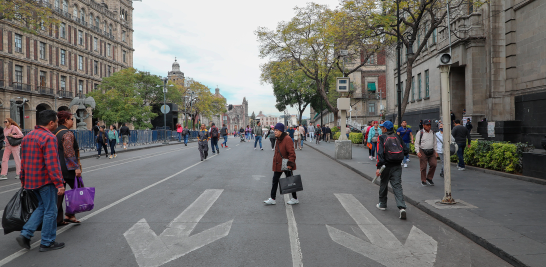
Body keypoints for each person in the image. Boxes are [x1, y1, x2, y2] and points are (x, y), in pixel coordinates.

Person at [16, 110, 65, 252]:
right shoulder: (49, 137)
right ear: (51, 123)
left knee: (42, 207)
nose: (57, 124)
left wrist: (22, 178)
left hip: (31, 180)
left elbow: (23, 161)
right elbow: (52, 163)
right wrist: (59, 183)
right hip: (45, 180)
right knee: (51, 210)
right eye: (56, 122)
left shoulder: (28, 136)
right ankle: (47, 242)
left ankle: (26, 234)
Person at [53, 111, 82, 226]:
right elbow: (69, 152)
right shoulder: (67, 134)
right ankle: (70, 214)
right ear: (65, 120)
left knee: (59, 194)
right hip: (68, 168)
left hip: (57, 167)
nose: (73, 121)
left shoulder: (54, 132)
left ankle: (58, 219)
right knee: (78, 188)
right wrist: (76, 168)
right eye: (71, 119)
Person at [375, 121, 408, 220]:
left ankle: (383, 204)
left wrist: (378, 167)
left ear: (385, 129)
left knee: (384, 184)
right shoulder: (397, 137)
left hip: (385, 165)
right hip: (397, 165)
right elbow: (406, 150)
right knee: (397, 186)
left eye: (382, 127)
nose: (381, 129)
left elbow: (379, 153)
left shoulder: (381, 137)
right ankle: (402, 207)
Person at [264, 123, 298, 205]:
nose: (275, 132)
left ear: (281, 131)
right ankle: (272, 198)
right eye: (274, 130)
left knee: (290, 181)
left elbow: (292, 153)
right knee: (275, 180)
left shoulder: (287, 139)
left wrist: (290, 164)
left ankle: (295, 198)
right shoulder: (278, 139)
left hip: (286, 163)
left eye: (276, 130)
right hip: (279, 163)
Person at [415, 119, 437, 186]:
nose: (429, 126)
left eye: (430, 125)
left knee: (434, 164)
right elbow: (416, 143)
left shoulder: (432, 133)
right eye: (427, 125)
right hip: (423, 151)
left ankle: (429, 178)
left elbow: (435, 142)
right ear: (423, 125)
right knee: (423, 167)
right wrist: (417, 151)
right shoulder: (420, 133)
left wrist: (436, 151)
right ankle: (423, 180)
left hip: (431, 151)